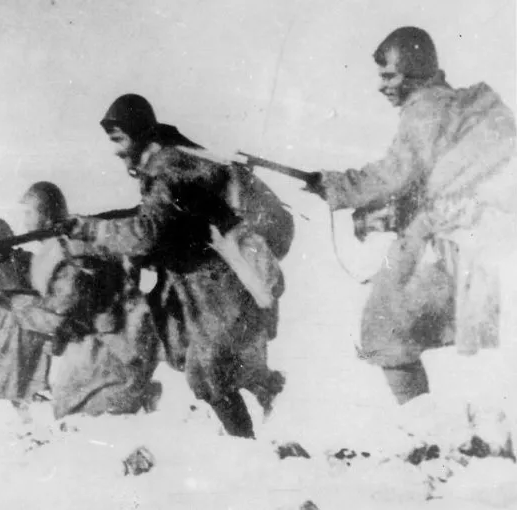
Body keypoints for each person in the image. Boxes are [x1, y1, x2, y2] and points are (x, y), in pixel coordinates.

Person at [304, 26, 517, 405]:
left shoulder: (424, 108)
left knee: (384, 327)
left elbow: (395, 174)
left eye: (389, 75)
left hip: (451, 239)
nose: (382, 86)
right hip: (477, 238)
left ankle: (422, 428)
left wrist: (336, 186)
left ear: (414, 73)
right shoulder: (448, 103)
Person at [61, 95, 288, 438]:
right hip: (210, 288)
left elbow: (146, 234)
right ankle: (261, 406)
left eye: (119, 140)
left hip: (218, 286)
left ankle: (249, 442)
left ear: (138, 134)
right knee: (210, 373)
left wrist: (91, 230)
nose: (117, 151)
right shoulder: (169, 164)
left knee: (209, 375)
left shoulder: (167, 170)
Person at [10, 182, 160, 420]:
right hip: (100, 341)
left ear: (46, 214)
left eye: (29, 212)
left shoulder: (68, 247)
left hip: (111, 344)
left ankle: (140, 395)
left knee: (74, 410)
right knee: (68, 402)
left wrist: (19, 305)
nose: (25, 220)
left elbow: (65, 307)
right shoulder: (58, 248)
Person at [0, 218, 52, 422]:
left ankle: (29, 418)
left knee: (12, 377)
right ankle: (32, 415)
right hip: (36, 322)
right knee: (30, 373)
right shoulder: (28, 258)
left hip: (13, 327)